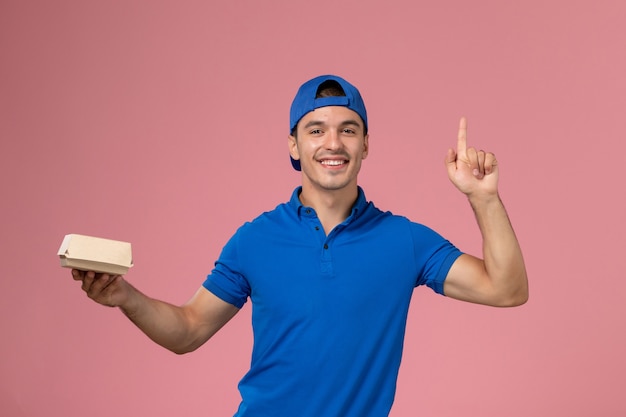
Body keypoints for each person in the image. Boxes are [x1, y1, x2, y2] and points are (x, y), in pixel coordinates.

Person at [72, 74, 528, 417]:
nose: (334, 143)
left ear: (366, 144)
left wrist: (483, 198)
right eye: (316, 130)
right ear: (293, 145)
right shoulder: (255, 239)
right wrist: (124, 297)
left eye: (349, 130)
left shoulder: (404, 240)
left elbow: (506, 289)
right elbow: (188, 330)